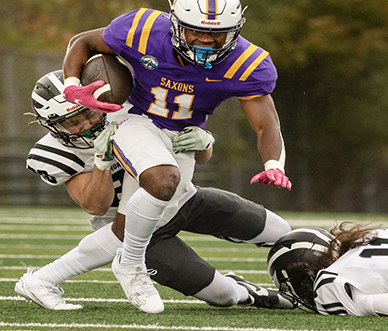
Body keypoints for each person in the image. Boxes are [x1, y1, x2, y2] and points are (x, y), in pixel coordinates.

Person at [61, 0, 292, 313]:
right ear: (175, 24)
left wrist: (273, 164)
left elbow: (265, 122)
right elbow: (83, 41)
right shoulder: (141, 29)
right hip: (135, 121)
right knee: (160, 189)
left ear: (236, 30)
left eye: (217, 34)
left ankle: (242, 282)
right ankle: (100, 268)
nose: (205, 41)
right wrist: (71, 85)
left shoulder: (248, 63)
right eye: (195, 31)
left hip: (181, 140)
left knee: (281, 232)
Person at [18, 70, 296, 312]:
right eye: (72, 122)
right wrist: (102, 164)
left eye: (87, 113)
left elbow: (199, 157)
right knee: (223, 296)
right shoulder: (53, 154)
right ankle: (248, 292)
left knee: (281, 231)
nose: (86, 125)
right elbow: (95, 206)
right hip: (132, 229)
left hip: (183, 199)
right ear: (53, 127)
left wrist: (204, 144)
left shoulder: (128, 110)